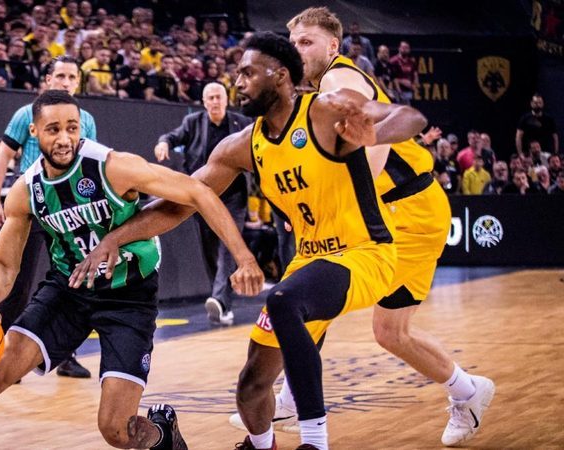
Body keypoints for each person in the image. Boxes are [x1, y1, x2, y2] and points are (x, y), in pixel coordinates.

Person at [69, 31, 428, 450]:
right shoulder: (243, 145)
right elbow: (182, 202)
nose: (238, 81)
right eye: (236, 73)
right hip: (310, 261)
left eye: (247, 73)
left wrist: (376, 135)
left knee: (283, 300)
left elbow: (410, 116)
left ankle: (315, 441)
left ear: (279, 76)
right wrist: (116, 236)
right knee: (251, 387)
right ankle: (263, 446)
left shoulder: (326, 110)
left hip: (367, 252)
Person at [0, 89, 263, 450]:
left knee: (116, 430)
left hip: (129, 296)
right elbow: (5, 262)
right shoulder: (25, 190)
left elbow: (197, 192)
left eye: (72, 127)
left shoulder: (112, 166)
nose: (64, 138)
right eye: (53, 129)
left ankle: (163, 430)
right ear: (34, 133)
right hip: (67, 292)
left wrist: (246, 258)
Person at [259, 8, 493, 448]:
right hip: (408, 211)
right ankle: (468, 391)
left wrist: (347, 202)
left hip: (406, 210)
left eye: (306, 42)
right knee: (391, 332)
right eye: (293, 44)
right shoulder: (313, 97)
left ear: (332, 46)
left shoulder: (337, 80)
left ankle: (290, 399)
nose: (297, 51)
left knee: (316, 279)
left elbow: (372, 143)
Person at [0, 55, 97, 378]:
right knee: (17, 281)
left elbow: (90, 164)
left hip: (70, 207)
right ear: (47, 79)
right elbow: (3, 155)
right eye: (60, 75)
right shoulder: (26, 114)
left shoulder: (86, 119)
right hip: (32, 204)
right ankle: (2, 354)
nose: (65, 82)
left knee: (74, 279)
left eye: (72, 77)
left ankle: (66, 355)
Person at [153, 82, 253, 325]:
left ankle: (218, 298)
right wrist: (163, 143)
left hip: (234, 197)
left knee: (228, 247)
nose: (215, 102)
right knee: (210, 250)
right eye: (210, 98)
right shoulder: (193, 123)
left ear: (226, 100)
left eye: (218, 97)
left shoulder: (241, 124)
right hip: (202, 196)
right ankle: (222, 304)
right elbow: (172, 136)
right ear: (204, 102)